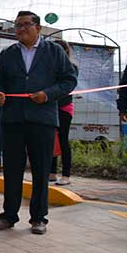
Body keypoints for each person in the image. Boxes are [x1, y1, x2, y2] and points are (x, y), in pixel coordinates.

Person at [0, 11, 77, 235]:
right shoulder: (8, 54)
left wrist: (47, 95)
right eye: (17, 26)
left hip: (42, 119)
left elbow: (69, 80)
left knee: (41, 170)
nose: (21, 29)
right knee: (11, 170)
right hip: (13, 119)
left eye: (26, 25)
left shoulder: (54, 52)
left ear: (38, 28)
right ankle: (8, 216)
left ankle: (39, 218)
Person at [51, 40, 78, 186]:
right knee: (50, 139)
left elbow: (67, 87)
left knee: (63, 139)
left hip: (64, 107)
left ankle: (66, 174)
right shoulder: (48, 67)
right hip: (49, 107)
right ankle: (52, 172)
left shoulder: (71, 67)